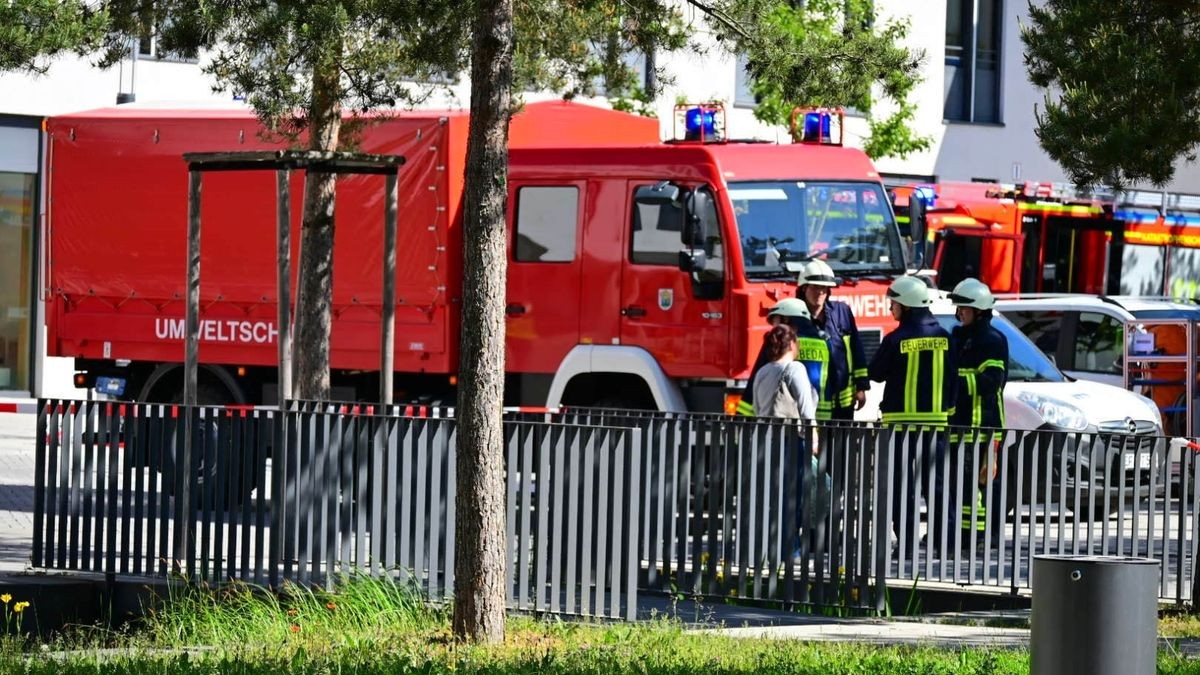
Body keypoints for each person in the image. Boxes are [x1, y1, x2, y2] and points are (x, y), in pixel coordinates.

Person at [868, 275, 958, 555]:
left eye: (893, 303)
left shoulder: (896, 339)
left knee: (902, 487)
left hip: (901, 426)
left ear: (905, 305)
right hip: (937, 426)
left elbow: (875, 373)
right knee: (938, 486)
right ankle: (944, 543)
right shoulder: (945, 337)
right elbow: (954, 381)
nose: (890, 309)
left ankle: (906, 544)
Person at [947, 278, 1008, 545]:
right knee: (960, 481)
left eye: (964, 308)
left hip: (983, 423)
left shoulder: (992, 340)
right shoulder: (959, 336)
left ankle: (982, 534)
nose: (959, 313)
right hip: (959, 422)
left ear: (979, 310)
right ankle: (963, 531)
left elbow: (991, 381)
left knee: (981, 482)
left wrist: (953, 383)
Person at [796, 259, 870, 421]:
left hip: (842, 402)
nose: (820, 293)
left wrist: (861, 386)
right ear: (804, 288)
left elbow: (856, 348)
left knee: (841, 446)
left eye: (824, 289)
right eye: (815, 287)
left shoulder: (841, 312)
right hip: (808, 404)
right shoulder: (794, 319)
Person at [738, 298, 827, 417]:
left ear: (785, 320)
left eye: (775, 323)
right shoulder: (824, 342)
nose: (775, 330)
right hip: (823, 418)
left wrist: (742, 416)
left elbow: (756, 380)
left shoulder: (780, 342)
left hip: (788, 423)